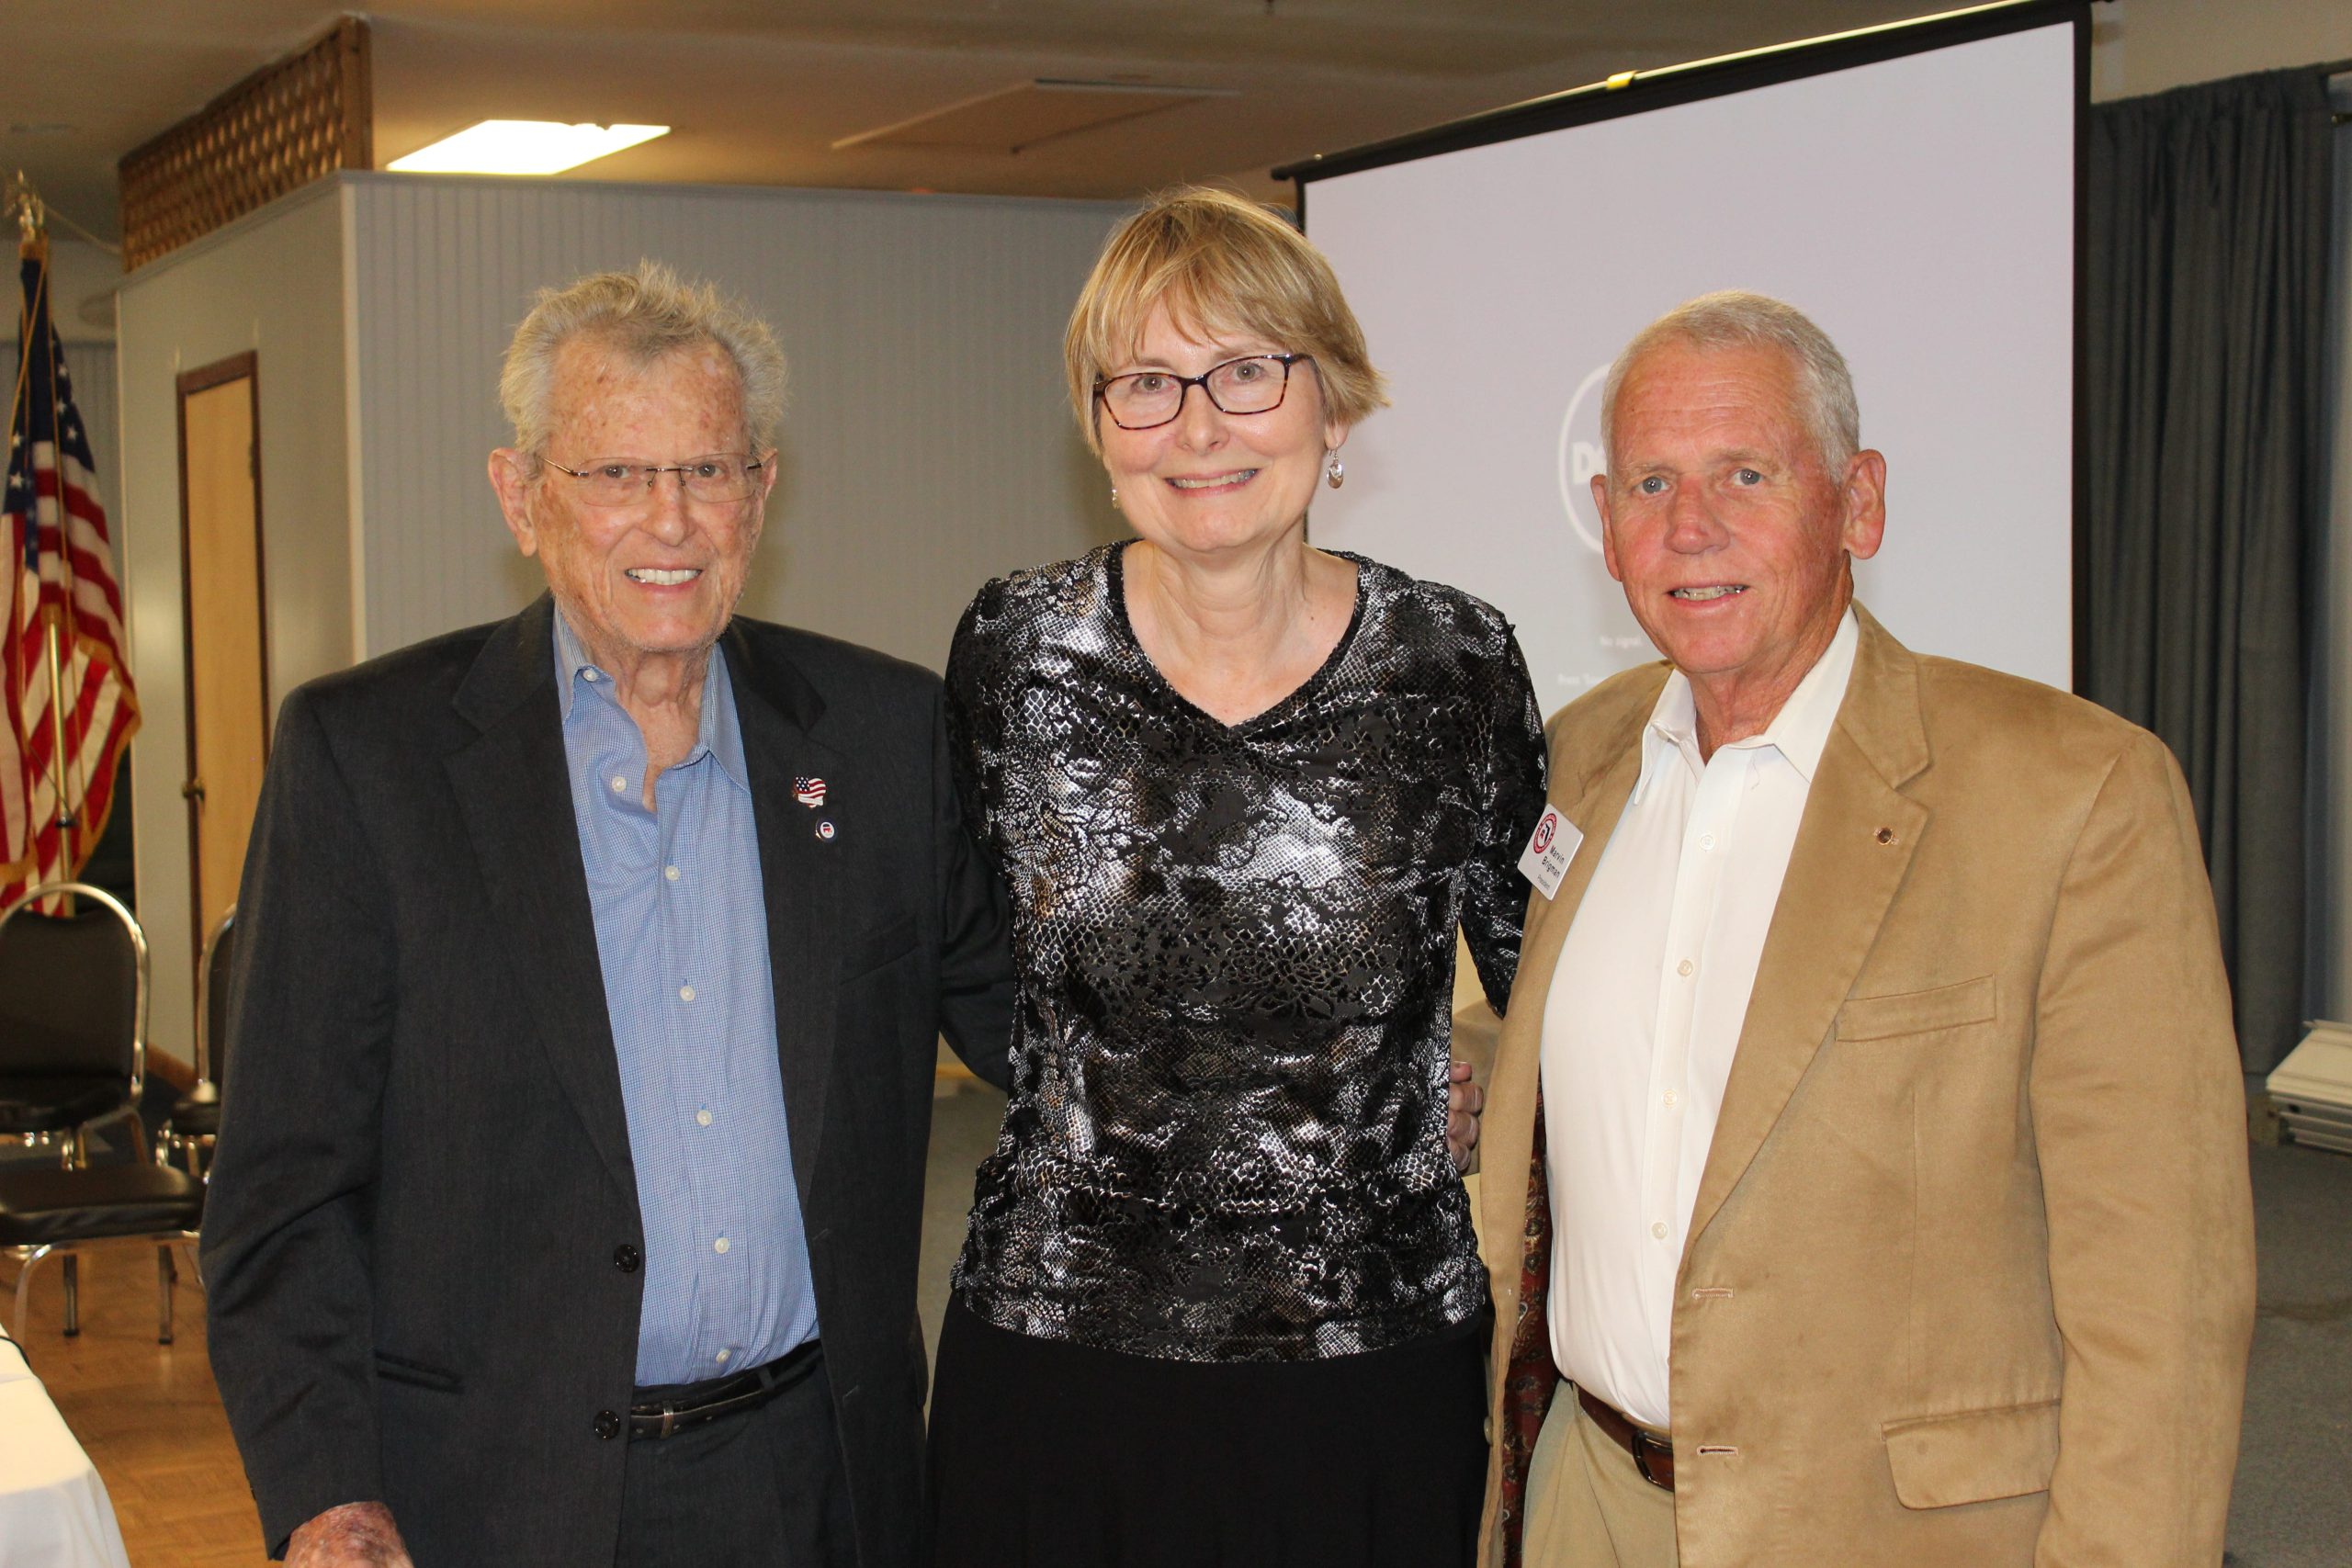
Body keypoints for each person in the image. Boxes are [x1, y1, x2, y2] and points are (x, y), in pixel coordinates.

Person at [200, 262, 1017, 1568]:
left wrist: (1316, 1080)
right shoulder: (369, 761)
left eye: (706, 471)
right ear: (522, 497)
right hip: (493, 1499)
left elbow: (1047, 1035)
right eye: (616, 476)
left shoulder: (879, 738)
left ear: (760, 492)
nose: (671, 520)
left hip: (817, 1484)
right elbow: (282, 1192)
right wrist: (324, 1493)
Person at [1475, 290, 2257, 1567]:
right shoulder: (1582, 762)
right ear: (1606, 529)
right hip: (1590, 1501)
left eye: (1746, 472)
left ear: (1859, 500)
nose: (1693, 525)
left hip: (1889, 1532)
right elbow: (1555, 1062)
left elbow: (2165, 1295)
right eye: (1652, 481)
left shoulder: (2074, 794)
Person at [926, 186, 1546, 1568]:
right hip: (1059, 1360)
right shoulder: (1015, 654)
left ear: (1335, 406)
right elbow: (957, 958)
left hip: (1367, 1366)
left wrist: (1485, 1093)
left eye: (1248, 373)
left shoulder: (1454, 665)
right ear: (1096, 424)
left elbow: (1547, 974)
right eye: (1147, 383)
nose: (1200, 427)